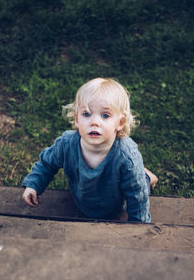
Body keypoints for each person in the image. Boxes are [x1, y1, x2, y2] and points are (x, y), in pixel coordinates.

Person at [22, 77, 158, 222]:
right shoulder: (67, 144)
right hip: (82, 201)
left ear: (120, 122)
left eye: (105, 116)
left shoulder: (126, 156)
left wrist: (139, 225)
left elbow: (138, 196)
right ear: (77, 119)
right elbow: (46, 164)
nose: (94, 122)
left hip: (117, 205)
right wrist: (34, 184)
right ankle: (142, 171)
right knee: (130, 171)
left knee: (139, 180)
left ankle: (146, 176)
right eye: (86, 114)